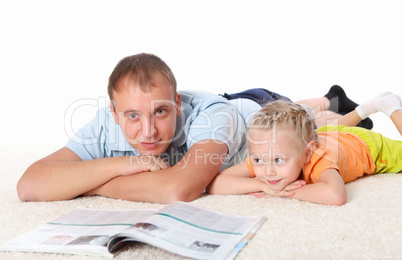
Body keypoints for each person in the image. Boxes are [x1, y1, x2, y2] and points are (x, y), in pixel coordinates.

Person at [16, 53, 369, 203]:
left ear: (178, 104)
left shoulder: (211, 117)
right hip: (233, 104)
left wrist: (88, 184)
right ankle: (329, 96)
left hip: (256, 108)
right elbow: (30, 184)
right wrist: (124, 164)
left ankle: (330, 100)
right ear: (113, 113)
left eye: (161, 112)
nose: (148, 132)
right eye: (133, 117)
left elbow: (177, 190)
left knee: (309, 126)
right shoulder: (106, 123)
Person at [206, 93, 402, 205]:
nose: (267, 171)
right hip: (330, 136)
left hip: (367, 147)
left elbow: (336, 195)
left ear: (307, 153)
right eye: (257, 160)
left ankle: (392, 107)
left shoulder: (318, 158)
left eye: (279, 160)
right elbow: (215, 183)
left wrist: (286, 192)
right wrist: (263, 186)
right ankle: (366, 109)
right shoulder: (267, 154)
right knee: (332, 131)